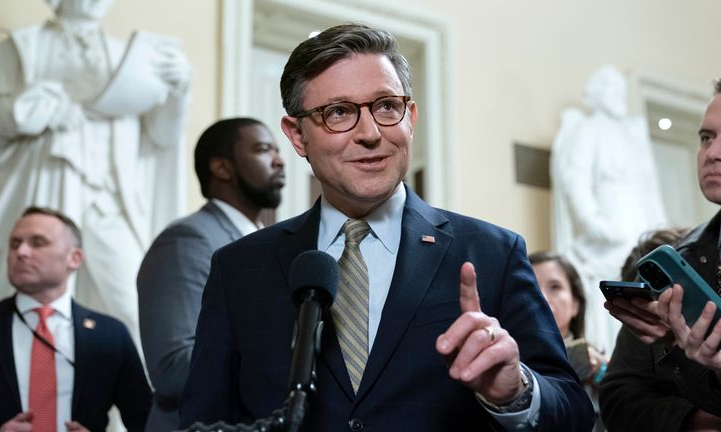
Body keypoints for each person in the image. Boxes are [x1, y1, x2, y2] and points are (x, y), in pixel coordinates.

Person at [179, 23, 593, 431]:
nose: (371, 133)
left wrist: (514, 392)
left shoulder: (492, 254)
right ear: (297, 136)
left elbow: (572, 411)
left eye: (386, 106)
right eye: (338, 112)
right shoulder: (240, 269)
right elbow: (204, 418)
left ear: (409, 117)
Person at [0, 0, 192, 346]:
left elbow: (161, 137)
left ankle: (146, 399)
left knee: (133, 305)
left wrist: (178, 92)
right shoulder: (23, 47)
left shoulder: (129, 57)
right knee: (29, 304)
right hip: (46, 188)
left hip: (106, 200)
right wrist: (31, 108)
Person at [600, 72, 721, 432]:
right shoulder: (671, 259)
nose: (713, 153)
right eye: (706, 137)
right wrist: (699, 420)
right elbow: (619, 398)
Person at [137, 118, 285, 431]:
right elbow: (173, 369)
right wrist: (287, 358)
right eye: (263, 149)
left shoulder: (269, 243)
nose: (279, 160)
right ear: (221, 168)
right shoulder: (186, 241)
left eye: (277, 150)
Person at [0, 207, 151, 431]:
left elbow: (146, 420)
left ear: (74, 258)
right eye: (15, 244)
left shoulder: (110, 334)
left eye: (37, 242)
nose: (22, 252)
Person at [550, 65, 667, 354]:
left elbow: (647, 185)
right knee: (613, 294)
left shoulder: (630, 135)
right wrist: (593, 221)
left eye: (621, 90)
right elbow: (575, 178)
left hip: (635, 221)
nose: (619, 96)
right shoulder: (588, 130)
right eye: (612, 89)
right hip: (608, 223)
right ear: (599, 94)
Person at [529, 251, 608, 432]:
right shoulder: (504, 360)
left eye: (555, 287)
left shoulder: (600, 364)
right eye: (530, 287)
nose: (541, 296)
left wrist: (601, 371)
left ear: (575, 305)